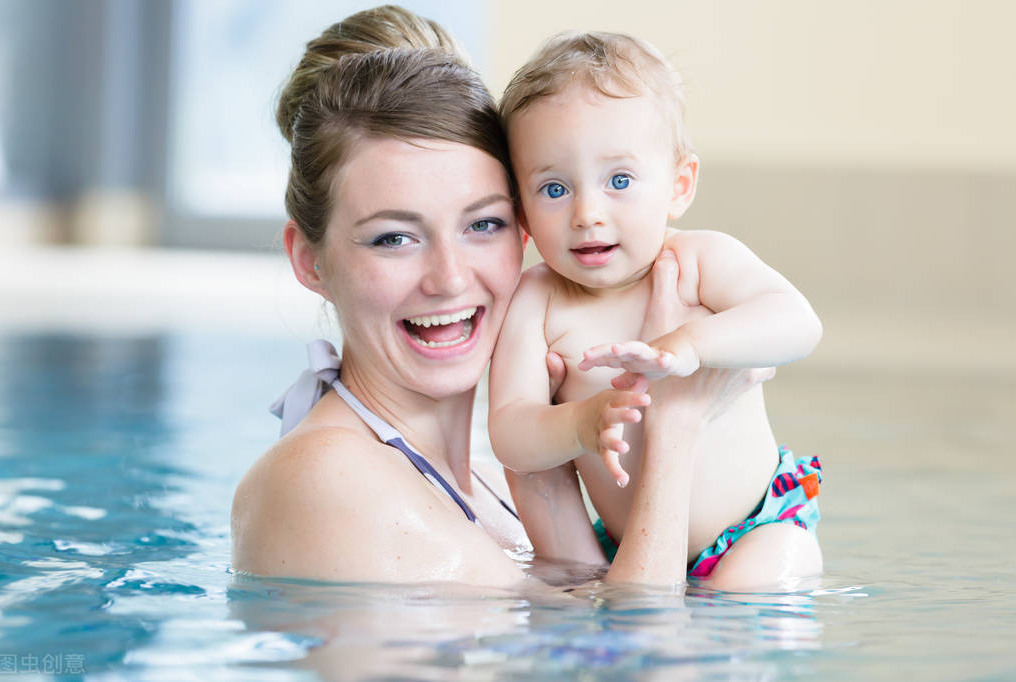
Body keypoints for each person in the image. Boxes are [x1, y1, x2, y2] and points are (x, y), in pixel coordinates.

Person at [230, 5, 775, 589]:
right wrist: (673, 423)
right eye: (395, 237)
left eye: (482, 225)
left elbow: (585, 641)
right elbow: (643, 652)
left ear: (525, 229)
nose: (450, 278)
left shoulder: (493, 482)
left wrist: (550, 478)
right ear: (310, 260)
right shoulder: (326, 478)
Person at [488, 31, 824, 588]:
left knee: (751, 591)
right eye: (553, 189)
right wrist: (577, 422)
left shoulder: (697, 261)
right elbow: (510, 434)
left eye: (618, 180)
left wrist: (691, 345)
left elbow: (797, 323)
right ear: (520, 207)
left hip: (760, 527)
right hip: (627, 544)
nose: (587, 213)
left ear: (678, 185)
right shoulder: (537, 300)